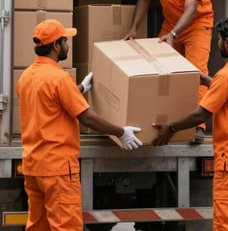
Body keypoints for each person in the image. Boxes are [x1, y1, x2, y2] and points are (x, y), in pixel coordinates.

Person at [17, 19, 143, 231]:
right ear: (56, 46)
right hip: (58, 169)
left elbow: (50, 103)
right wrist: (121, 132)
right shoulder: (59, 78)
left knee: (38, 226)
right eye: (65, 40)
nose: (68, 45)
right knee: (66, 226)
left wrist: (80, 88)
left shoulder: (26, 77)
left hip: (33, 167)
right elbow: (87, 118)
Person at [152, 16, 228, 230]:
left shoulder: (227, 76)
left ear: (226, 42)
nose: (217, 43)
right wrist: (206, 79)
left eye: (218, 39)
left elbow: (201, 114)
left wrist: (171, 128)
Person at [124, 0, 214, 142]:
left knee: (196, 72)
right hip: (171, 24)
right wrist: (133, 28)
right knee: (161, 71)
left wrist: (173, 34)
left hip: (197, 25)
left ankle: (198, 126)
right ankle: (163, 120)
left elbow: (191, 9)